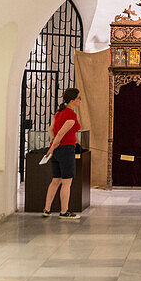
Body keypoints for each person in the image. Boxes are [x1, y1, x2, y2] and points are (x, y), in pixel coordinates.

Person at [40, 88, 82, 219]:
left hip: (58, 150)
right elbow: (60, 134)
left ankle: (47, 209)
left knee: (55, 180)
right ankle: (64, 211)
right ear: (72, 100)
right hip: (66, 150)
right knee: (66, 182)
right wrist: (52, 147)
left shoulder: (59, 113)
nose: (80, 100)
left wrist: (52, 144)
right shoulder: (70, 114)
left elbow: (51, 129)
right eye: (79, 98)